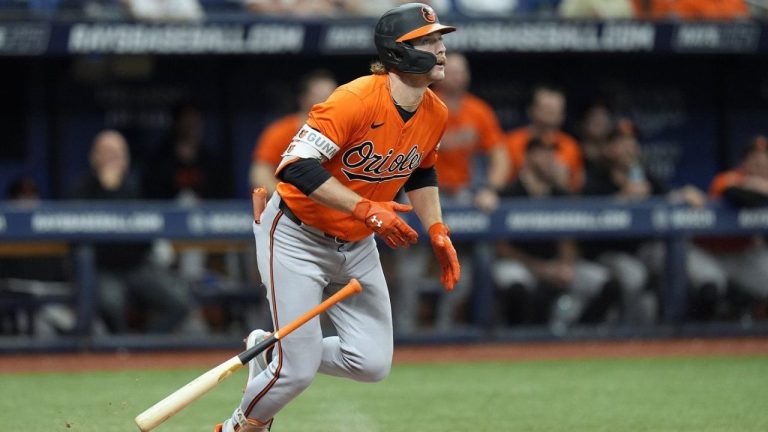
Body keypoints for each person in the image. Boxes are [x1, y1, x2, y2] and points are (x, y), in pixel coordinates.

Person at [215, 3, 460, 431]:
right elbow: (294, 167)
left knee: (371, 363)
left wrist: (437, 227)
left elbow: (423, 170)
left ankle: (274, 353)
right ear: (397, 53)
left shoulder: (435, 111)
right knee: (296, 372)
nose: (441, 49)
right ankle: (242, 424)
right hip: (296, 234)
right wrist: (367, 208)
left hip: (357, 242)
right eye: (428, 41)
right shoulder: (353, 100)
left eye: (440, 39)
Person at [393, 52, 506, 331]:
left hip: (461, 194)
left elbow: (501, 155)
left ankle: (446, 329)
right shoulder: (421, 103)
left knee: (462, 260)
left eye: (461, 71)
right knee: (410, 263)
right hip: (420, 190)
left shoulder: (478, 110)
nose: (456, 75)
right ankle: (403, 329)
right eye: (451, 70)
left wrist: (490, 188)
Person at [581, 120, 725, 322]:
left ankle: (676, 328)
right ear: (607, 148)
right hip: (608, 252)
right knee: (633, 276)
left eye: (632, 142)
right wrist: (622, 199)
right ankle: (619, 337)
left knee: (679, 263)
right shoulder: (596, 178)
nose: (628, 148)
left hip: (643, 249)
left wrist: (685, 194)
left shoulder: (644, 176)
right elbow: (587, 219)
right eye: (620, 142)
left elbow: (670, 196)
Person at [70, 130, 192, 333]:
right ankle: (119, 350)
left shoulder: (138, 186)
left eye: (118, 154)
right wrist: (108, 189)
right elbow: (73, 230)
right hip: (103, 269)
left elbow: (152, 228)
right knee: (112, 304)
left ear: (126, 159)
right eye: (107, 153)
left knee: (180, 302)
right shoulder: (83, 187)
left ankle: (144, 347)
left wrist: (115, 188)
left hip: (138, 266)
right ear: (94, 157)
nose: (113, 159)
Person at [492, 136, 615, 332]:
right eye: (543, 153)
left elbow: (568, 237)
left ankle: (580, 337)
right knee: (515, 283)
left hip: (556, 264)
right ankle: (517, 341)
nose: (550, 159)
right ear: (528, 157)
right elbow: (500, 247)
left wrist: (565, 264)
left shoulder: (561, 194)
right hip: (522, 264)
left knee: (605, 283)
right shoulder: (509, 193)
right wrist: (541, 269)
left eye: (552, 154)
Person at [695, 135, 768, 310]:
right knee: (710, 288)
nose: (760, 162)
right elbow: (735, 195)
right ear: (744, 162)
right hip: (709, 250)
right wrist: (760, 189)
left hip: (743, 252)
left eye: (765, 158)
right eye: (754, 158)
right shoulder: (729, 178)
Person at [250, 70, 338, 195]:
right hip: (289, 205)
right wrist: (289, 200)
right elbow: (260, 175)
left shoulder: (348, 131)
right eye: (321, 96)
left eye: (333, 95)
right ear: (303, 99)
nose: (328, 101)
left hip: (333, 205)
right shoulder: (280, 131)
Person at [502, 85, 584, 193]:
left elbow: (578, 188)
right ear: (531, 110)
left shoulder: (571, 146)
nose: (550, 115)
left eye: (555, 110)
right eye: (546, 109)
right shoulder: (511, 142)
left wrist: (562, 182)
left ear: (563, 114)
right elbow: (501, 183)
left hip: (559, 206)